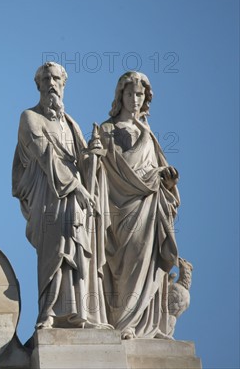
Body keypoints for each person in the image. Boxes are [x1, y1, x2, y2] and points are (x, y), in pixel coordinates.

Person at [12, 62, 110, 329]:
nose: (51, 84)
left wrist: (93, 155)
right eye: (46, 79)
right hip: (49, 197)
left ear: (63, 84)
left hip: (76, 201)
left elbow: (82, 162)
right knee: (56, 252)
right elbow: (45, 157)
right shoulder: (30, 117)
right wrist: (78, 187)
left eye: (56, 79)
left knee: (77, 250)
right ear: (38, 85)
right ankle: (49, 314)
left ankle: (82, 314)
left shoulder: (71, 124)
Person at [99, 71, 179, 339]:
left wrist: (167, 182)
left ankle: (147, 324)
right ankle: (122, 322)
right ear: (120, 95)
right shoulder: (107, 130)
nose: (135, 99)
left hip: (149, 206)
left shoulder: (149, 133)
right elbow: (108, 170)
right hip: (121, 206)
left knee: (149, 260)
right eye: (130, 93)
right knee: (126, 261)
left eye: (140, 94)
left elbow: (156, 168)